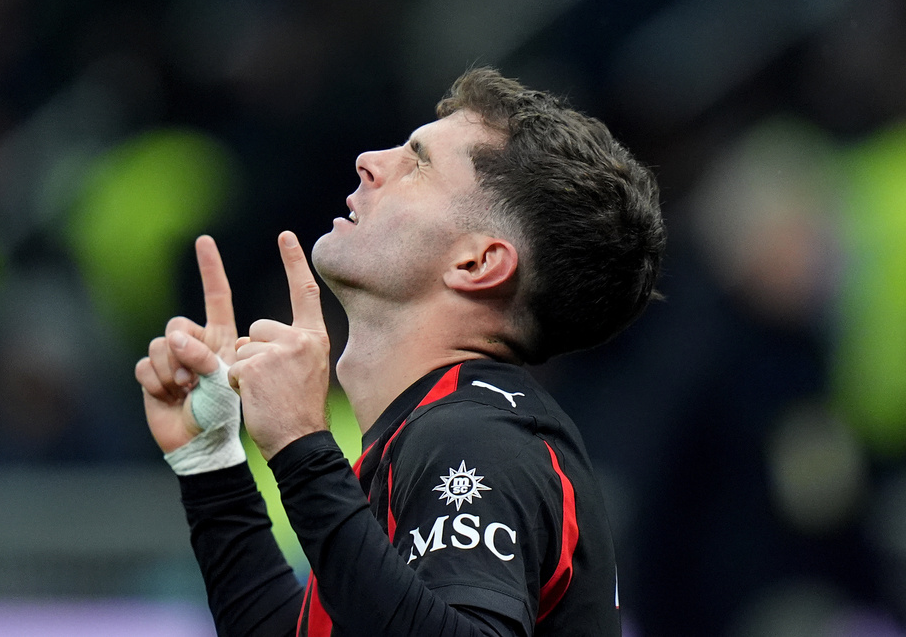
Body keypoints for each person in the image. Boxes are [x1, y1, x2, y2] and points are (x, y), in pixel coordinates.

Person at [135, 67, 665, 636]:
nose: (369, 160)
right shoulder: (432, 429)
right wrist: (211, 464)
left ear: (477, 263)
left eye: (419, 163)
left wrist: (301, 446)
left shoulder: (477, 439)